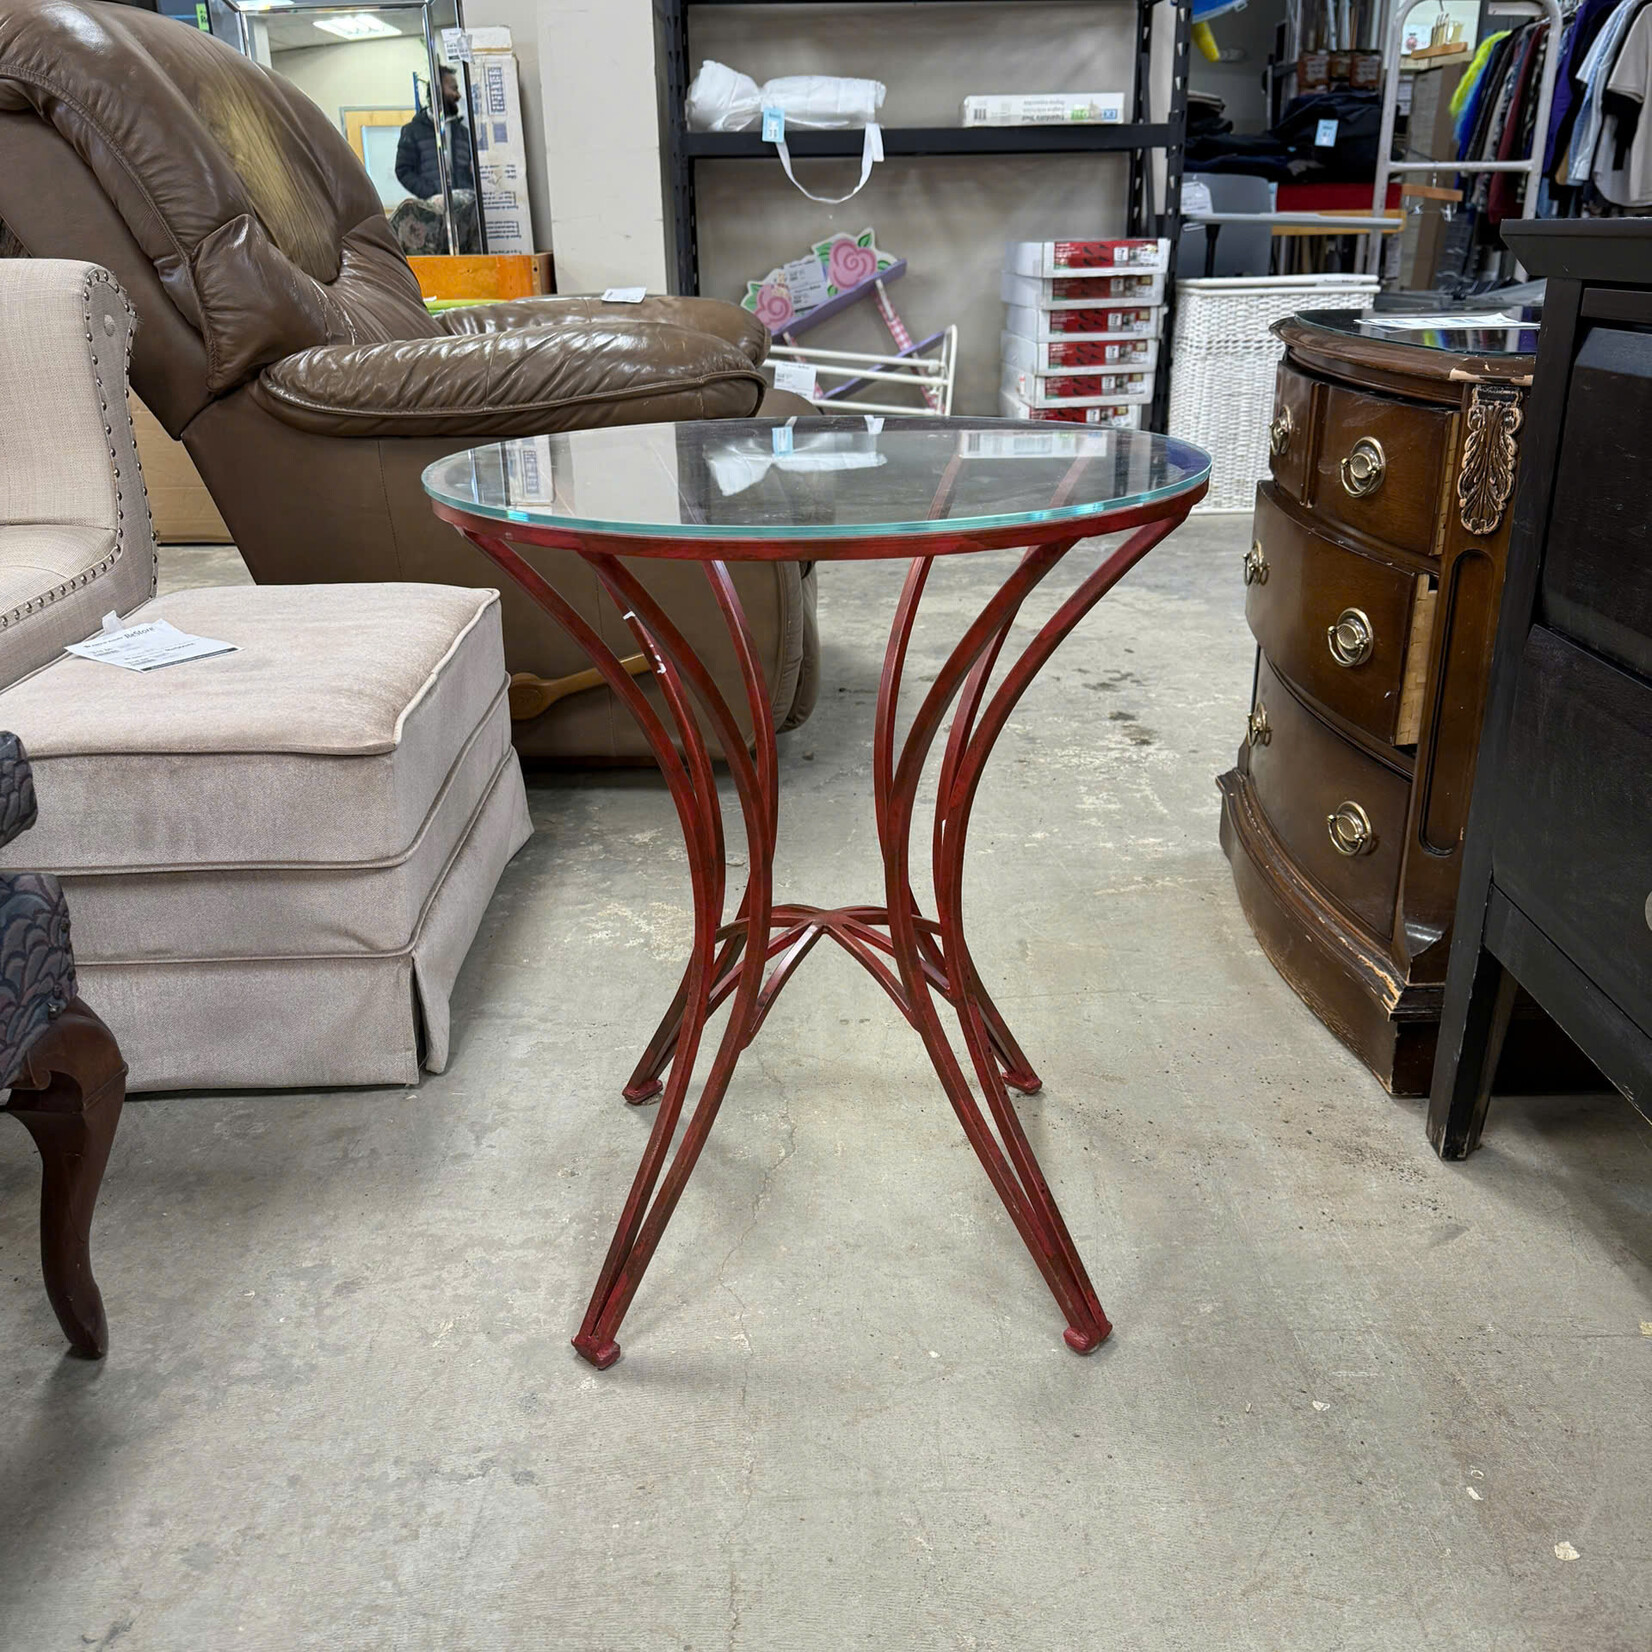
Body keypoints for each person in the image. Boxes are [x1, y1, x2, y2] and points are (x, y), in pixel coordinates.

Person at [395, 64, 474, 200]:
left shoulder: (463, 133)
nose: (458, 95)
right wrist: (431, 193)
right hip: (434, 207)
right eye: (453, 88)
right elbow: (403, 170)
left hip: (465, 206)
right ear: (437, 91)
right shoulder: (412, 132)